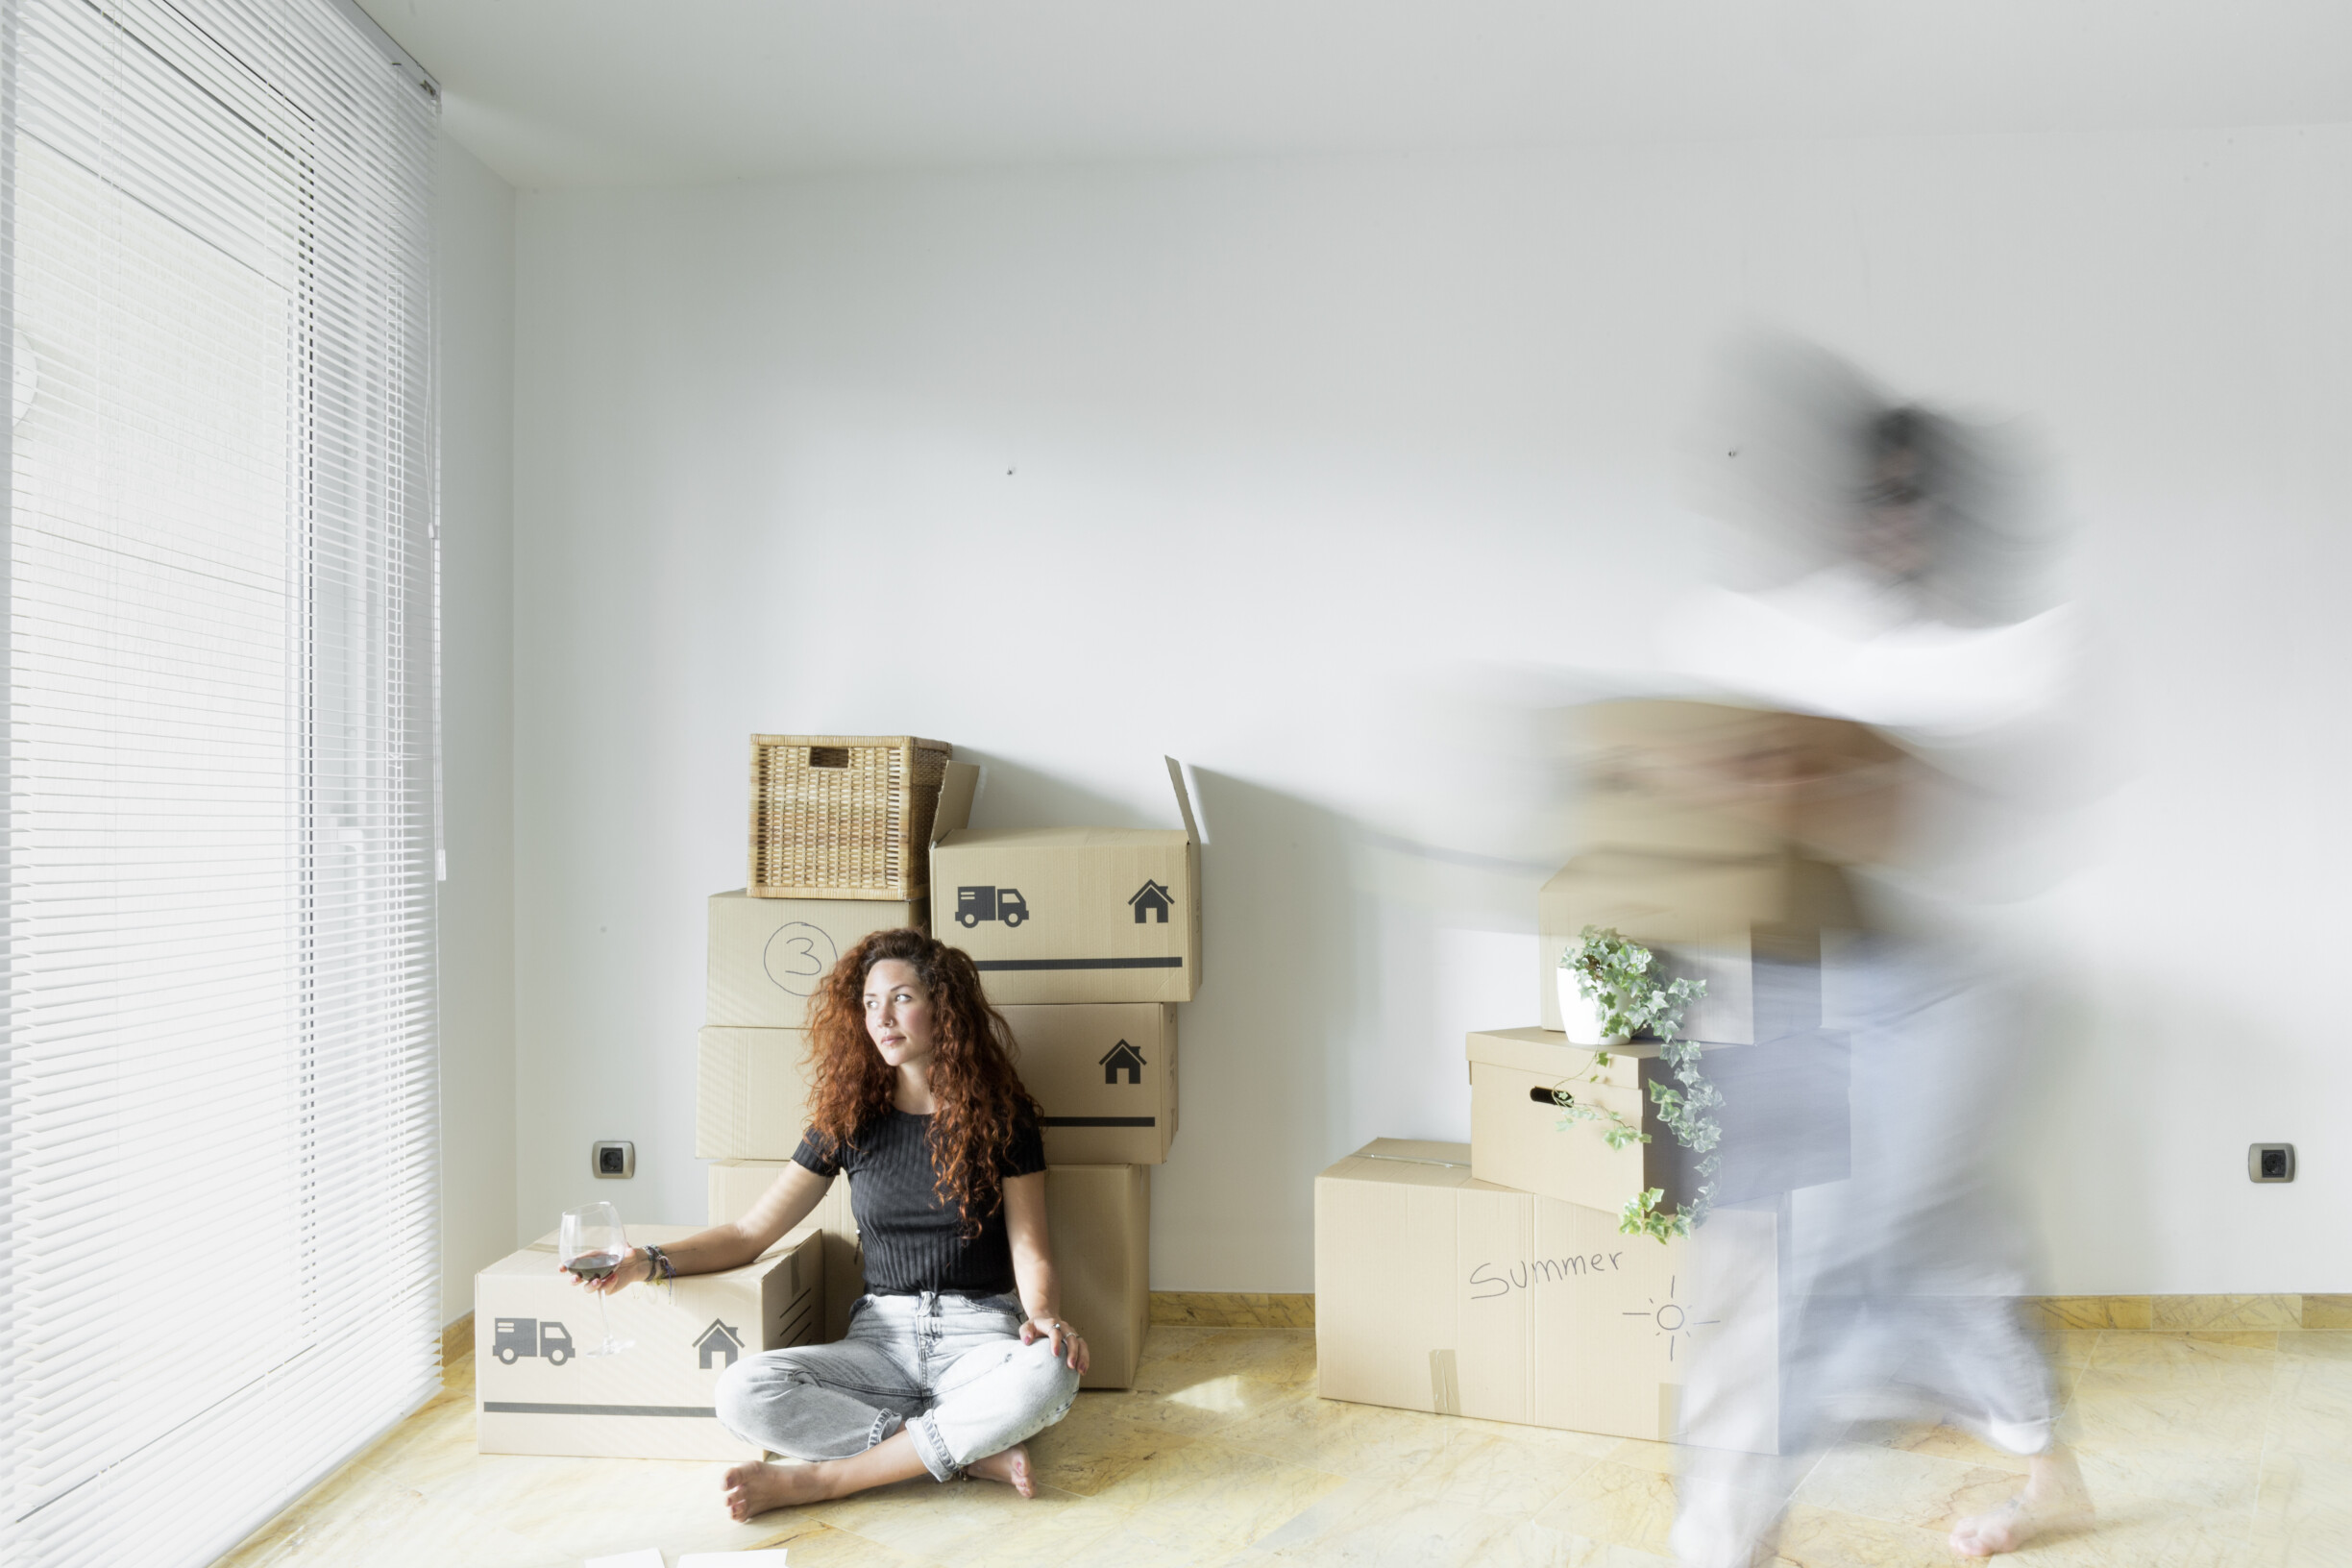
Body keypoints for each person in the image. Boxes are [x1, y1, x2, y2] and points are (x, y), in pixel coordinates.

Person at [1654, 350, 2095, 1564]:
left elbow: (1947, 826)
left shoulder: (2013, 651)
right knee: (1816, 1252)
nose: (1895, 521)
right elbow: (1709, 783)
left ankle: (1732, 1535)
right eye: (1877, 495)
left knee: (1848, 1256)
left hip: (1942, 991)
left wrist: (1828, 785)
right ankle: (2031, 1471)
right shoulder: (1792, 630)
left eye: (1919, 498)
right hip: (1792, 982)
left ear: (1953, 515)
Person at [571, 927, 1085, 1519]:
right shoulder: (849, 1120)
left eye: (901, 998)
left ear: (943, 1007)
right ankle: (963, 1453)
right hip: (881, 1346)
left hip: (979, 1340)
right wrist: (649, 1261)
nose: (881, 1018)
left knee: (1052, 1372)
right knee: (740, 1394)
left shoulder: (1002, 1119)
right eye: (869, 1004)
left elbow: (1032, 1252)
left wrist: (1044, 1317)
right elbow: (749, 1234)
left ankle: (823, 1482)